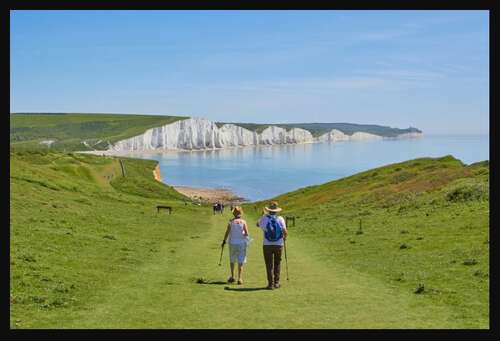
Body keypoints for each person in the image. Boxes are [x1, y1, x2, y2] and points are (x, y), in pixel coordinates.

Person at [257, 201, 288, 290]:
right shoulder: (280, 219)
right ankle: (277, 283)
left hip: (267, 245)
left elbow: (257, 224)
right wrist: (284, 238)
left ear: (269, 210)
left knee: (269, 264)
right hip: (279, 244)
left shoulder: (264, 219)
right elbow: (285, 231)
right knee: (277, 263)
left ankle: (270, 284)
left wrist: (263, 215)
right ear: (277, 210)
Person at [222, 206, 249, 285]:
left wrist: (224, 241)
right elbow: (246, 233)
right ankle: (240, 278)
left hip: (232, 243)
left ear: (234, 213)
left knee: (232, 259)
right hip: (241, 243)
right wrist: (242, 234)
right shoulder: (243, 222)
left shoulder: (231, 221)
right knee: (241, 261)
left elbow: (227, 232)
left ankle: (233, 276)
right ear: (240, 214)